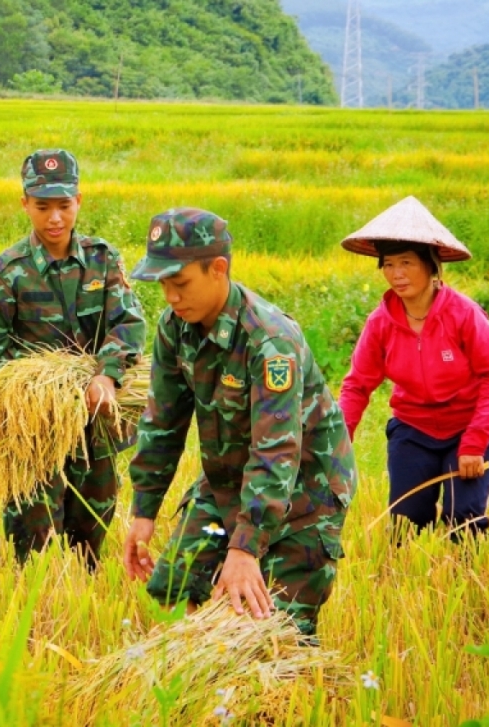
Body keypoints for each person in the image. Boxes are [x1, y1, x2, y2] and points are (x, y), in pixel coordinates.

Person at [122, 208, 355, 636]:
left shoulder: (269, 342)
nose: (171, 297)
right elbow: (163, 423)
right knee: (176, 585)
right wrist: (144, 510)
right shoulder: (175, 328)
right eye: (163, 286)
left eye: (180, 283)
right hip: (229, 478)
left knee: (273, 630)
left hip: (306, 490)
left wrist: (244, 548)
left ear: (218, 269)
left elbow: (276, 451)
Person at [0, 149, 146, 568]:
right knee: (34, 528)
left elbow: (129, 324)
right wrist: (42, 391)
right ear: (25, 204)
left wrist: (107, 376)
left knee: (92, 522)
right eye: (42, 207)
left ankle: (85, 598)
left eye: (64, 206)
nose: (54, 219)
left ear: (78, 202)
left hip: (96, 418)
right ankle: (29, 603)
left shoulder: (103, 260)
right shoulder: (4, 272)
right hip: (34, 425)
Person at [338, 196, 489, 539]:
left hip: (468, 425)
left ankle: (466, 586)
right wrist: (339, 442)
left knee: (462, 519)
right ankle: (408, 588)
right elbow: (358, 384)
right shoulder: (380, 323)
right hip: (413, 429)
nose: (396, 274)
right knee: (406, 522)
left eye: (406, 263)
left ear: (431, 266)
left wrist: (475, 444)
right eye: (388, 264)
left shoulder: (463, 315)